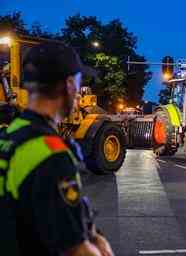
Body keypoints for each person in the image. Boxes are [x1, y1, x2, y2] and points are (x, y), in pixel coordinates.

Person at [0, 42, 113, 256]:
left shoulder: (9, 136)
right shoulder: (52, 155)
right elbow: (77, 249)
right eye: (79, 83)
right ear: (69, 85)